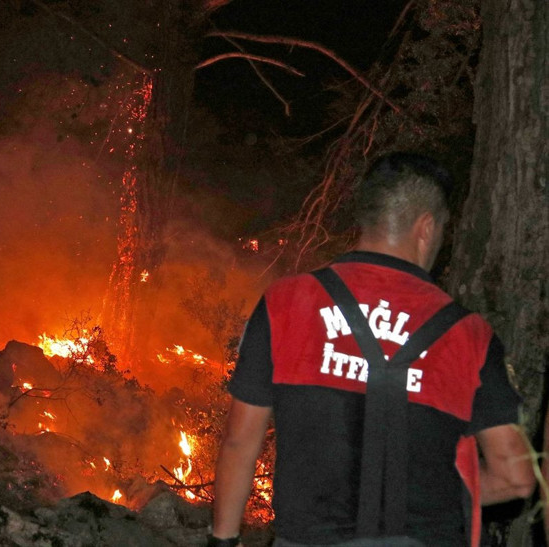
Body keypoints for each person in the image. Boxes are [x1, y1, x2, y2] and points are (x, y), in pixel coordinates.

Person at [210, 152, 535, 546]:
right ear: (427, 227)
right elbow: (515, 479)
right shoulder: (471, 336)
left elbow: (240, 441)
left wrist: (222, 540)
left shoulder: (285, 303)